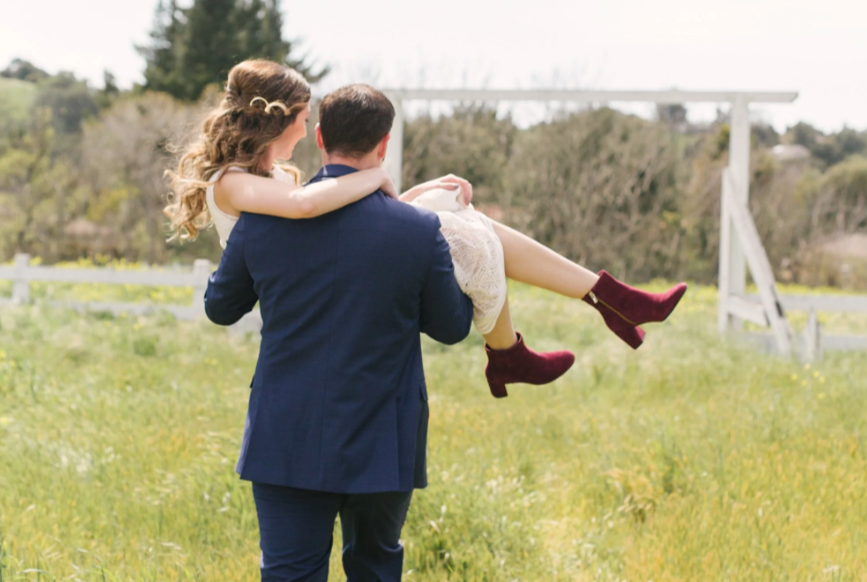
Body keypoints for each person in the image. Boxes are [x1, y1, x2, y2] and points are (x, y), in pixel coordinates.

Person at [167, 59, 686, 399]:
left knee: (467, 216)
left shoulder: (274, 175)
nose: (306, 129)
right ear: (279, 121)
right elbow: (305, 210)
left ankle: (605, 299)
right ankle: (518, 346)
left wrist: (411, 197)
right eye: (301, 117)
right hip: (305, 279)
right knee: (472, 230)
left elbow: (332, 212)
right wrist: (381, 178)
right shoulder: (234, 183)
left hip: (326, 258)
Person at [201, 79, 473, 582]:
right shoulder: (417, 231)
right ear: (384, 145)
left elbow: (220, 307)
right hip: (385, 437)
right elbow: (453, 328)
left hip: (285, 434)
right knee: (375, 569)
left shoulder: (261, 217)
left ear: (320, 138)